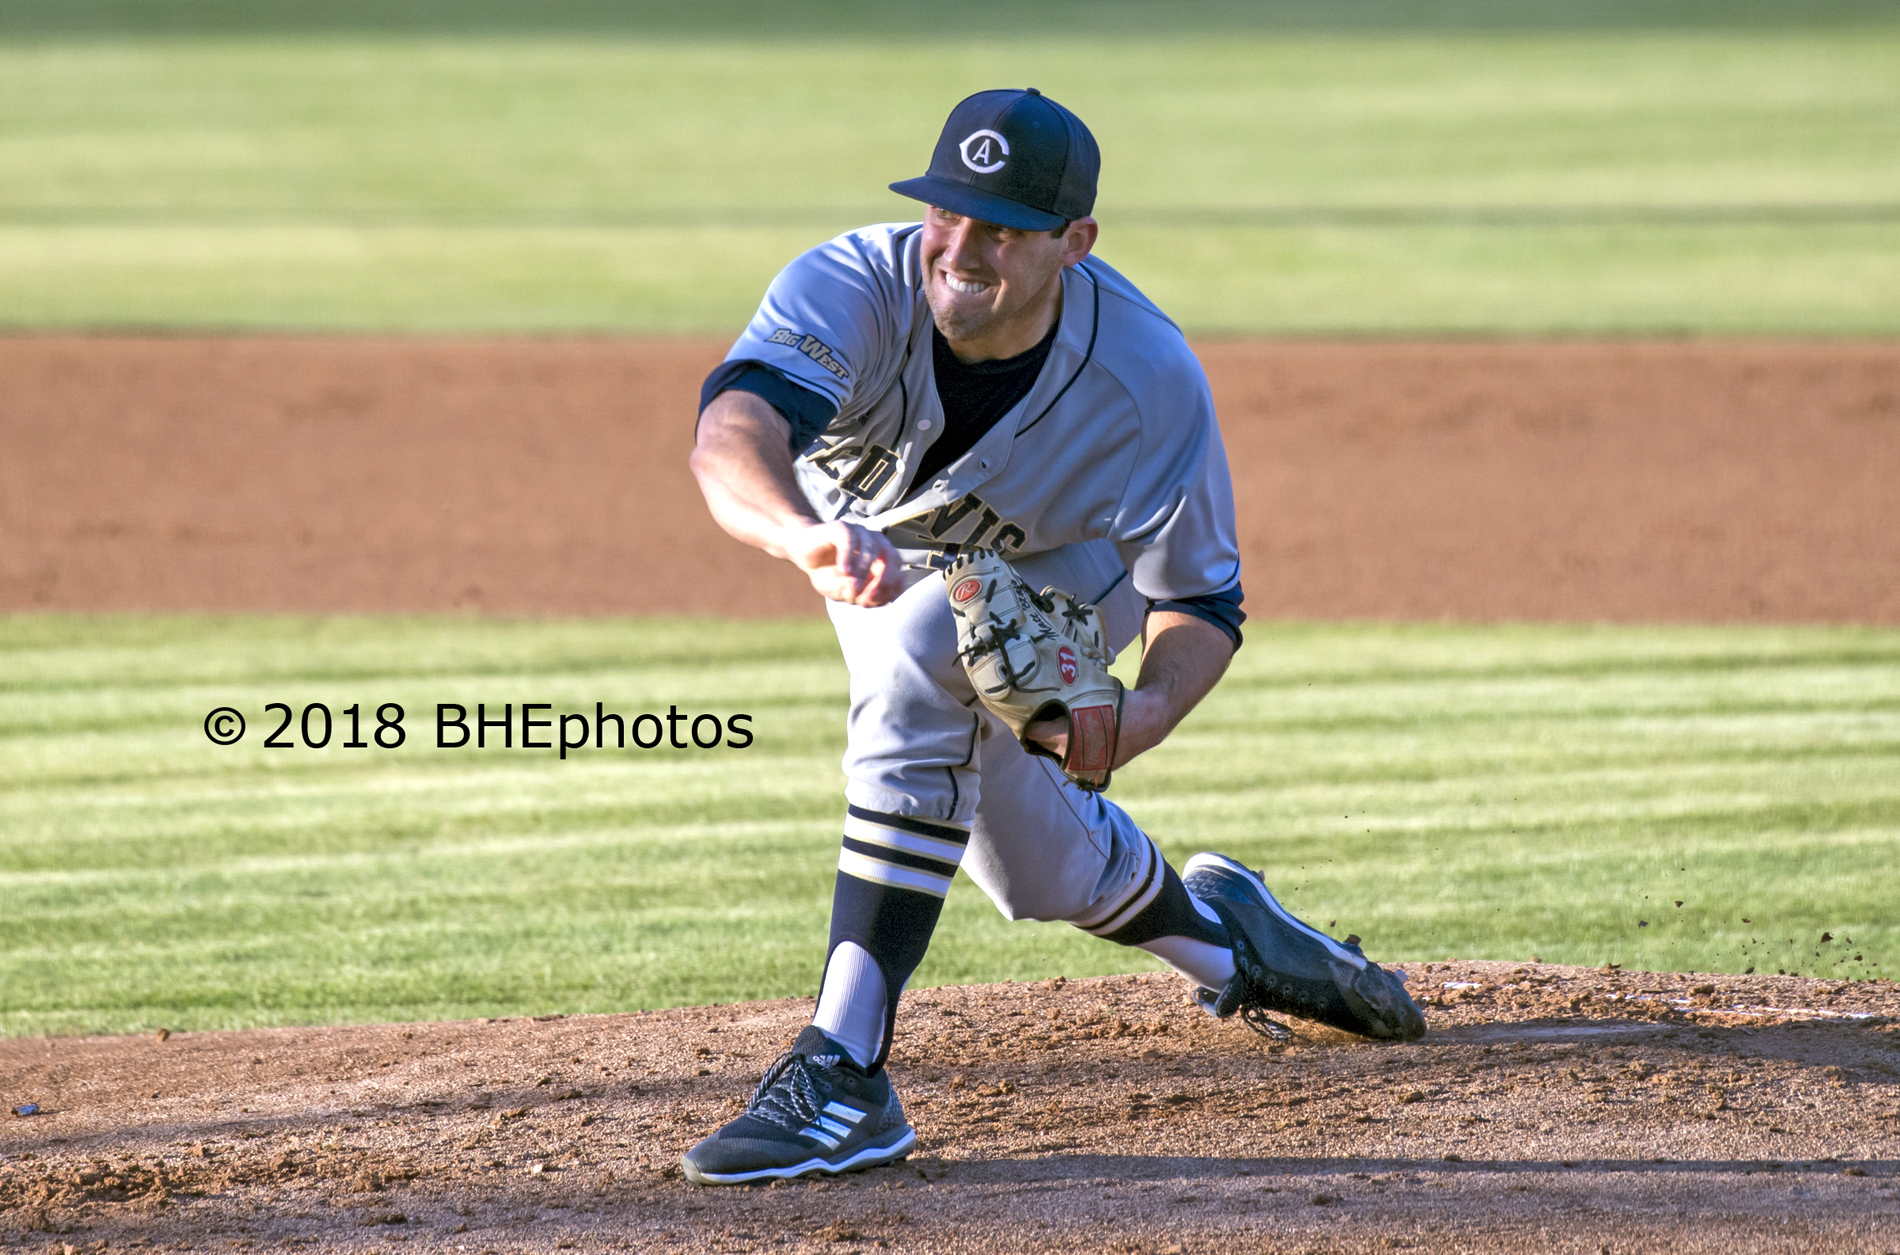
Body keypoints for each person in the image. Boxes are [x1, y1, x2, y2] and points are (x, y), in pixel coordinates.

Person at [682, 88, 1423, 1186]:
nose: (961, 248)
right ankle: (1233, 942)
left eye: (1002, 229)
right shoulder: (851, 286)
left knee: (926, 642)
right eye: (947, 213)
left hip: (1072, 572)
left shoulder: (1147, 377)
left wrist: (1144, 713)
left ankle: (843, 1063)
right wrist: (799, 533)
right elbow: (728, 434)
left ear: (1075, 242)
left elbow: (1202, 600)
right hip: (860, 560)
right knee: (1031, 867)